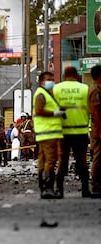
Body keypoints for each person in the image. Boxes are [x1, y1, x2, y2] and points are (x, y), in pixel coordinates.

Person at [53, 66, 91, 198]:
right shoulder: (85, 89)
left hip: (63, 132)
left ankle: (59, 190)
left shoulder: (57, 89)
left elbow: (54, 111)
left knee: (62, 160)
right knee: (82, 160)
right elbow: (90, 109)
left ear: (64, 76)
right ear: (76, 76)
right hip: (81, 131)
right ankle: (85, 189)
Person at [33, 71, 65, 199]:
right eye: (48, 79)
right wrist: (55, 113)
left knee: (43, 160)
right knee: (51, 160)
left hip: (45, 133)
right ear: (41, 81)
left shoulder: (46, 93)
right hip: (48, 133)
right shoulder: (41, 94)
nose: (51, 81)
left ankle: (43, 187)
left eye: (52, 79)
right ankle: (48, 187)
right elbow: (39, 110)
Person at [88, 65, 101, 198]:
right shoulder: (95, 91)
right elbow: (96, 112)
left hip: (98, 128)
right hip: (98, 129)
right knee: (98, 157)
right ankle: (96, 186)